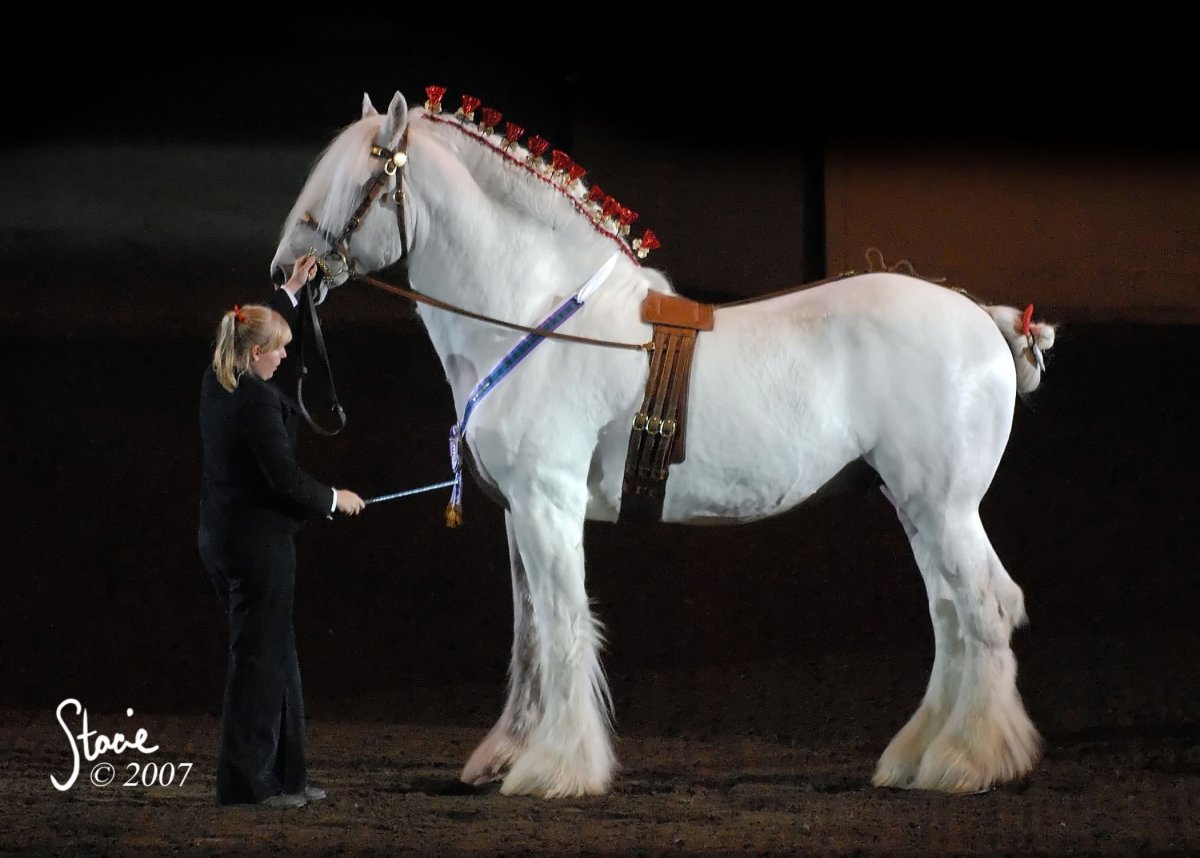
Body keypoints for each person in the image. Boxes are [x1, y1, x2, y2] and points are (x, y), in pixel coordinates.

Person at [197, 256, 365, 809]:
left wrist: (291, 290)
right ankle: (246, 784)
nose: (285, 356)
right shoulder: (255, 404)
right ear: (254, 354)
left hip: (229, 539)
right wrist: (334, 500)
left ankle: (287, 776)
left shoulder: (220, 375)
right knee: (258, 661)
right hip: (255, 548)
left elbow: (250, 320)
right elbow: (287, 482)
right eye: (279, 349)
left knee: (275, 654)